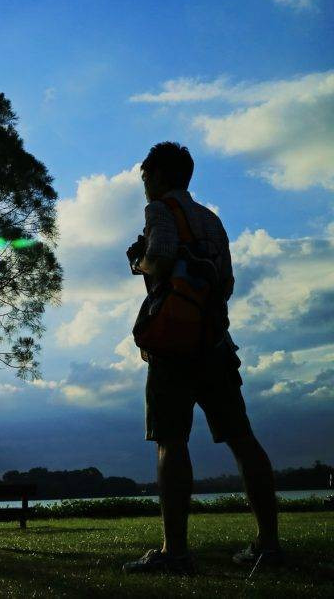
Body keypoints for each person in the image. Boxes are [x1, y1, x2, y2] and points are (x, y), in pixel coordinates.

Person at [121, 142, 282, 575]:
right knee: (242, 439)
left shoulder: (158, 211)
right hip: (214, 342)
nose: (145, 187)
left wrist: (139, 262)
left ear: (155, 177)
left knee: (171, 441)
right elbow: (226, 283)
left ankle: (175, 553)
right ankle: (270, 545)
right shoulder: (212, 219)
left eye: (146, 179)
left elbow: (160, 257)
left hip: (173, 347)